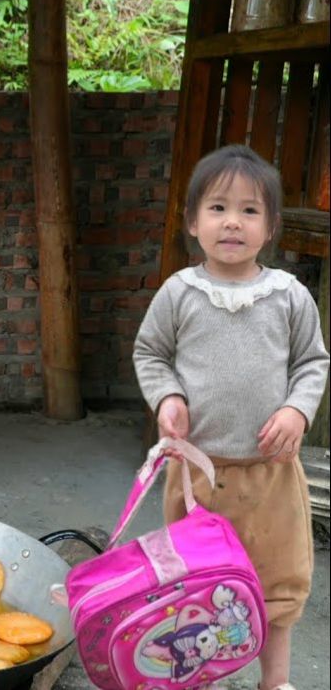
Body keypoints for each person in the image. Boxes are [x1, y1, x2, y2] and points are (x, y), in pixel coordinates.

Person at [133, 145, 328, 690]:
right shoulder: (179, 293)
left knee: (277, 584)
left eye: (249, 210)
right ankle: (198, 677)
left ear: (271, 228)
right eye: (218, 208)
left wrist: (296, 409)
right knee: (194, 587)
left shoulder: (289, 297)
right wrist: (167, 397)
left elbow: (313, 362)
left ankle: (277, 681)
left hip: (271, 476)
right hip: (197, 477)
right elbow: (151, 353)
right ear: (193, 222)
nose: (232, 223)